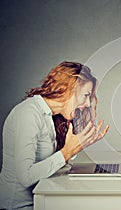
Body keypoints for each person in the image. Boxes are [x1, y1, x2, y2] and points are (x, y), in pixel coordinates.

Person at [0, 61, 109, 210]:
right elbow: (25, 177)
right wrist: (67, 152)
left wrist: (76, 147)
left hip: (44, 200)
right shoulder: (28, 114)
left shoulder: (54, 117)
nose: (88, 104)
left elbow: (52, 168)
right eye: (86, 95)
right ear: (69, 89)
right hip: (21, 206)